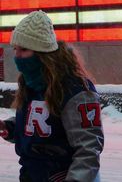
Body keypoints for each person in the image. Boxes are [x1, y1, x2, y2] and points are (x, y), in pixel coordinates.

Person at [0, 10, 104, 182]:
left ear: (42, 53)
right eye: (15, 49)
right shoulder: (30, 84)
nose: (17, 56)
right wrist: (10, 126)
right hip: (31, 175)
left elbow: (88, 148)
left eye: (24, 49)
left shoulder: (75, 89)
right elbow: (41, 122)